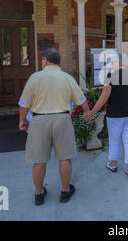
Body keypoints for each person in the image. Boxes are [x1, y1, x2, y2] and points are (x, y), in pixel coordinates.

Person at [19, 48, 91, 206]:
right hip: (62, 120)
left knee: (39, 160)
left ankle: (39, 194)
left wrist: (22, 120)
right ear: (58, 62)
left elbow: (24, 103)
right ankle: (65, 192)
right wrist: (87, 112)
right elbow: (81, 99)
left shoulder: (34, 78)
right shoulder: (67, 78)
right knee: (65, 157)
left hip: (39, 121)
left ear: (45, 60)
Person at [85, 52, 128, 179]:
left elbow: (104, 96)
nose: (112, 65)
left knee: (114, 140)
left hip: (115, 115)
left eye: (113, 63)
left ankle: (113, 164)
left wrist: (92, 112)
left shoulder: (110, 76)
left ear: (117, 63)